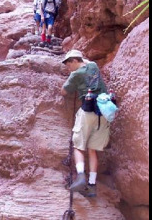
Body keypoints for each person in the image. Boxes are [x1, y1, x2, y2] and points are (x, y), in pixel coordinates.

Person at [60, 49, 110, 197]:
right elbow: (87, 62)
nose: (68, 67)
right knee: (92, 149)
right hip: (104, 112)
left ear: (75, 61)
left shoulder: (75, 74)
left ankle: (81, 176)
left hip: (87, 111)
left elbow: (63, 92)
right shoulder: (93, 66)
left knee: (78, 145)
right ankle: (92, 185)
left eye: (69, 63)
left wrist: (71, 77)